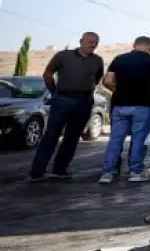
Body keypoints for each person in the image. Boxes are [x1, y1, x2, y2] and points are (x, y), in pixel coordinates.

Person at [28, 32, 105, 181]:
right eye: (90, 42)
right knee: (51, 135)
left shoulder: (97, 61)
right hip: (63, 100)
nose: (93, 45)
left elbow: (97, 79)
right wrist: (54, 93)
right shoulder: (63, 56)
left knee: (73, 137)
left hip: (83, 102)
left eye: (96, 42)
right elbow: (48, 74)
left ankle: (60, 170)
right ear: (81, 41)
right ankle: (37, 172)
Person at [98, 36, 150, 184]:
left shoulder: (119, 59)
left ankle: (108, 173)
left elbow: (107, 80)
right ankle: (135, 172)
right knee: (139, 140)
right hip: (143, 104)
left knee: (115, 140)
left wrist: (117, 89)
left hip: (120, 104)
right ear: (149, 47)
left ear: (134, 45)